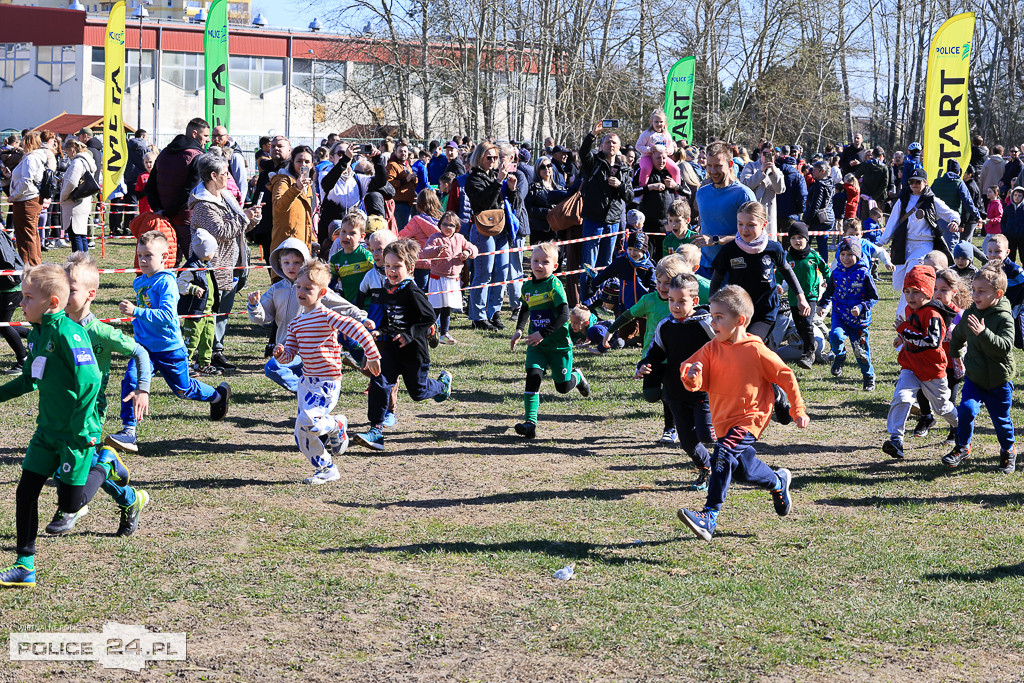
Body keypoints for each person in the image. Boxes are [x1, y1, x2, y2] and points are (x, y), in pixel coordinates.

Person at [0, 264, 108, 587]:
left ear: (53, 304)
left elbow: (91, 380)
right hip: (46, 433)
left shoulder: (68, 333)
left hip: (76, 436)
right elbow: (30, 381)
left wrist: (82, 427)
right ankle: (25, 564)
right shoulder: (36, 335)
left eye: (28, 297)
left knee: (69, 506)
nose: (21, 303)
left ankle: (106, 466)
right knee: (25, 492)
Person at [676, 285, 809, 542]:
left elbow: (786, 375)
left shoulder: (755, 350)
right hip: (723, 421)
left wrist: (798, 409)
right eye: (711, 315)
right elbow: (690, 370)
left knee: (723, 453)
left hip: (751, 418)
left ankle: (709, 516)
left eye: (718, 317)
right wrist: (692, 377)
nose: (712, 321)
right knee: (742, 471)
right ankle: (778, 482)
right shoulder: (712, 347)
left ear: (739, 321)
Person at [54, 254, 150, 535]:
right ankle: (129, 498)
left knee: (66, 466)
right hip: (61, 409)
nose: (62, 294)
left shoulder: (101, 332)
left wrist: (142, 388)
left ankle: (69, 507)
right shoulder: (56, 325)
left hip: (90, 412)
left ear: (89, 295)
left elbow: (140, 352)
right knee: (68, 463)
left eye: (70, 290)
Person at [113, 231, 231, 452]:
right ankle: (129, 431)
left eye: (148, 255)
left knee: (182, 389)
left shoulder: (167, 282)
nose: (143, 260)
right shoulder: (140, 281)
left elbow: (168, 315)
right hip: (144, 349)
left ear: (164, 258)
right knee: (130, 380)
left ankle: (217, 396)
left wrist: (136, 311)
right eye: (140, 255)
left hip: (169, 349)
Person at [273, 260, 381, 485]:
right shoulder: (296, 323)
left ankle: (337, 425)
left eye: (307, 288)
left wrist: (372, 355)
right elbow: (290, 354)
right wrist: (280, 354)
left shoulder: (328, 316)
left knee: (307, 420)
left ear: (321, 292)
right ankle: (326, 468)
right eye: (299, 287)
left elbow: (358, 329)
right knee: (300, 434)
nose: (301, 292)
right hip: (306, 384)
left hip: (327, 382)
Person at [352, 239, 452, 451]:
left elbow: (428, 318)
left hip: (414, 353)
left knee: (418, 392)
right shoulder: (389, 288)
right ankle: (376, 431)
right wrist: (382, 331)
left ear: (410, 268)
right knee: (379, 381)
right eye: (387, 266)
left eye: (396, 266)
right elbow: (391, 319)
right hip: (391, 349)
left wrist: (408, 335)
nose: (391, 270)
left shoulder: (412, 291)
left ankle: (442, 385)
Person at [248, 237, 369, 394]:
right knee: (276, 369)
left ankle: (309, 390)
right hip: (287, 350)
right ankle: (306, 389)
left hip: (312, 349)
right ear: (279, 263)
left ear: (305, 263)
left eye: (297, 262)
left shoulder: (315, 288)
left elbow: (343, 306)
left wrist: (362, 318)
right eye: (286, 263)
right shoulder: (276, 289)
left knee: (273, 367)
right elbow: (262, 317)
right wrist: (254, 306)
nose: (291, 267)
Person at [636, 273, 715, 490]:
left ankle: (730, 460)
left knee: (706, 434)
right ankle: (706, 469)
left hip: (703, 391)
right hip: (675, 392)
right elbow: (655, 352)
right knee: (688, 441)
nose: (675, 306)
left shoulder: (707, 323)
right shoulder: (665, 325)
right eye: (671, 300)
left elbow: (723, 348)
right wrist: (643, 365)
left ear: (695, 301)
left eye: (681, 301)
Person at [188, 152, 262, 372]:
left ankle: (215, 351)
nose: (228, 176)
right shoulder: (202, 204)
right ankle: (204, 355)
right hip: (213, 266)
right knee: (210, 311)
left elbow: (237, 226)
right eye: (224, 173)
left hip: (233, 260)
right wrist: (245, 217)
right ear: (213, 175)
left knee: (224, 309)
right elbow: (221, 231)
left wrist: (251, 219)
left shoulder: (226, 195)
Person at [606, 254, 691, 442]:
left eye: (668, 283)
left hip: (674, 357)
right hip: (651, 357)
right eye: (659, 282)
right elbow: (628, 314)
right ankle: (677, 402)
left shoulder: (682, 304)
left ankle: (670, 428)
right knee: (651, 395)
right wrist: (610, 331)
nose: (662, 287)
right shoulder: (649, 300)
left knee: (669, 393)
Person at [510, 241, 590, 439]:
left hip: (558, 346)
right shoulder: (527, 286)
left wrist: (542, 333)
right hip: (537, 346)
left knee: (562, 387)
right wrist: (519, 330)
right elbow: (526, 308)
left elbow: (563, 315)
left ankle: (577, 376)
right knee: (533, 377)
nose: (538, 265)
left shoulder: (554, 285)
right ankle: (530, 423)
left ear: (555, 266)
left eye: (545, 262)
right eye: (535, 261)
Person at [943, 266, 1017, 471]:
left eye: (982, 291)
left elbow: (1005, 347)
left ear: (998, 294)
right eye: (974, 290)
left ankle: (1008, 450)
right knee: (966, 409)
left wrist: (984, 334)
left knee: (1001, 420)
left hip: (998, 380)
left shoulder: (1003, 317)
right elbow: (957, 336)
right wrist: (956, 355)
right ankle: (963, 447)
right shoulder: (970, 314)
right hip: (975, 377)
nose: (975, 295)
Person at [881, 265, 958, 459]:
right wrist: (902, 337)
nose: (910, 296)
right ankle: (896, 440)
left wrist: (905, 331)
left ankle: (961, 425)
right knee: (902, 397)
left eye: (916, 292)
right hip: (911, 365)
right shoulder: (910, 309)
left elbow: (931, 342)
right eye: (907, 291)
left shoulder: (932, 314)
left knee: (942, 407)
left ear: (928, 292)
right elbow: (912, 331)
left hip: (932, 370)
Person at [709, 201, 809, 341]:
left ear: (763, 224)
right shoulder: (729, 250)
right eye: (740, 224)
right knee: (736, 347)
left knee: (750, 343)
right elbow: (716, 279)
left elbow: (787, 271)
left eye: (751, 225)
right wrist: (712, 306)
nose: (744, 229)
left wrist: (801, 298)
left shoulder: (773, 248)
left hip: (765, 311)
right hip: (737, 310)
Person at [878, 167, 958, 311]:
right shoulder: (903, 200)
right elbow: (893, 221)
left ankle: (903, 316)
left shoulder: (932, 201)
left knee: (912, 278)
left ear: (925, 183)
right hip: (903, 245)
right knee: (898, 284)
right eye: (912, 181)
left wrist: (954, 222)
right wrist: (881, 242)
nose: (914, 184)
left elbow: (952, 214)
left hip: (924, 246)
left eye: (918, 181)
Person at [910, 267, 969, 443]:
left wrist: (957, 335)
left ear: (954, 292)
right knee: (920, 390)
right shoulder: (926, 310)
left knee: (948, 399)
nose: (938, 293)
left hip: (951, 364)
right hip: (929, 362)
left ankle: (955, 430)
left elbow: (968, 338)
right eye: (934, 289)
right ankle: (926, 417)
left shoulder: (959, 315)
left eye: (943, 290)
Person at [465, 141, 520, 331]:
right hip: (482, 229)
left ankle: (493, 312)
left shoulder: (496, 177)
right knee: (483, 273)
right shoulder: (474, 179)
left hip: (501, 229)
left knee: (501, 273)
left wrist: (511, 188)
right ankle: (478, 316)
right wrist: (498, 182)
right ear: (479, 158)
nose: (493, 161)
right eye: (489, 157)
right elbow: (484, 203)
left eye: (495, 158)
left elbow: (510, 205)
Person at [578, 123, 633, 296]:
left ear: (619, 147)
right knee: (589, 263)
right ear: (602, 145)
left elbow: (629, 196)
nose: (611, 145)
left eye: (614, 143)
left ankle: (601, 297)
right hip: (593, 219)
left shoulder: (624, 168)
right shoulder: (594, 161)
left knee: (606, 263)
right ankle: (586, 298)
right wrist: (593, 133)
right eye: (608, 142)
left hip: (613, 221)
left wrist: (620, 185)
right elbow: (583, 153)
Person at [145, 117, 210, 264]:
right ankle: (205, 287)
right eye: (205, 135)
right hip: (185, 218)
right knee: (197, 261)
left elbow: (150, 187)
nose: (208, 140)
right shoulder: (198, 157)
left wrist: (160, 211)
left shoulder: (163, 153)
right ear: (194, 134)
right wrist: (166, 212)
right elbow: (190, 192)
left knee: (166, 261)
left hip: (163, 218)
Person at [819, 237, 879, 390]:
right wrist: (822, 304)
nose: (845, 258)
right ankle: (840, 356)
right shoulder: (836, 272)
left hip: (859, 320)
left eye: (849, 254)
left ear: (857, 255)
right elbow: (830, 291)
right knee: (835, 336)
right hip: (839, 314)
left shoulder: (864, 273)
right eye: (842, 254)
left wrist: (861, 307)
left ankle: (868, 376)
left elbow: (874, 297)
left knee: (861, 352)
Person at [693, 141, 756, 275]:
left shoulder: (744, 194)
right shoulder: (701, 193)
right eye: (709, 166)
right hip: (704, 266)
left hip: (735, 267)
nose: (712, 171)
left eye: (718, 166)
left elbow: (754, 235)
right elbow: (703, 226)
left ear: (730, 164)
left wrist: (715, 240)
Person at [317, 143, 388, 254]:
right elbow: (327, 184)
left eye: (349, 153)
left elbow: (380, 182)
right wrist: (345, 159)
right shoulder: (324, 173)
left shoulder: (357, 178)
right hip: (330, 235)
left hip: (353, 235)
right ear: (331, 157)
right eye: (341, 153)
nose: (346, 156)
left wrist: (377, 159)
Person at [422, 211, 478, 344]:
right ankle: (429, 332)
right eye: (445, 224)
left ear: (457, 227)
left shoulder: (460, 238)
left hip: (453, 279)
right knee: (436, 307)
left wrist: (467, 252)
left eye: (451, 225)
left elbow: (474, 249)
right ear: (440, 224)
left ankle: (444, 333)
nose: (448, 227)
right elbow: (425, 253)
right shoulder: (435, 237)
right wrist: (437, 249)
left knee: (447, 307)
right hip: (437, 278)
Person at [785, 221, 830, 369]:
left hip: (810, 296)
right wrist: (779, 285)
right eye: (793, 238)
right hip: (793, 298)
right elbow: (779, 273)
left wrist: (829, 281)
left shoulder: (813, 255)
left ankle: (809, 353)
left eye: (800, 237)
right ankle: (812, 346)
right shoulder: (787, 257)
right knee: (799, 327)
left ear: (807, 239)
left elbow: (825, 269)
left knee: (806, 323)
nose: (797, 241)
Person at [8, 131, 56, 268]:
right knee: (32, 234)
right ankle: (35, 265)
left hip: (26, 200)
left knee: (25, 236)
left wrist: (14, 195)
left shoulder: (30, 158)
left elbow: (26, 181)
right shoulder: (37, 157)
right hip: (31, 199)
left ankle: (29, 268)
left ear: (28, 142)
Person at [177, 229, 220, 377]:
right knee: (192, 339)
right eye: (213, 250)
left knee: (207, 339)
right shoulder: (192, 267)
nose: (214, 252)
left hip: (208, 312)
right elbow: (179, 283)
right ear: (205, 250)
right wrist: (193, 288)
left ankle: (204, 363)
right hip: (195, 312)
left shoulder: (206, 265)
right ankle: (185, 364)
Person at [270, 144, 315, 259]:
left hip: (303, 244)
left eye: (307, 162)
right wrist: (296, 188)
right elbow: (279, 207)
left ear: (312, 164)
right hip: (286, 245)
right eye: (299, 161)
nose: (303, 165)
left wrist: (312, 240)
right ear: (292, 162)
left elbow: (306, 218)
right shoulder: (282, 181)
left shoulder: (308, 185)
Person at [58, 137, 97, 254]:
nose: (67, 155)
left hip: (74, 204)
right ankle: (85, 262)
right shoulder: (87, 161)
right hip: (84, 202)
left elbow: (72, 182)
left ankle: (79, 263)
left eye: (67, 152)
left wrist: (64, 196)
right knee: (82, 235)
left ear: (72, 149)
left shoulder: (77, 162)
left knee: (75, 236)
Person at [398, 188, 443, 290]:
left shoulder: (416, 221)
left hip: (421, 263)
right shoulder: (442, 222)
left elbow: (400, 238)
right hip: (438, 263)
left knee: (421, 292)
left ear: (419, 204)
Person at [738, 145, 785, 239]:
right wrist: (761, 171)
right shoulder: (750, 166)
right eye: (765, 153)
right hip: (752, 212)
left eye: (771, 154)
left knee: (769, 242)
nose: (767, 156)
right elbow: (745, 186)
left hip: (769, 212)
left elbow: (780, 190)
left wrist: (773, 173)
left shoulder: (777, 170)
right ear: (760, 154)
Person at [931, 159, 978, 248]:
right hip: (952, 221)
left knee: (937, 248)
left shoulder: (936, 181)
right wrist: (977, 215)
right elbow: (968, 202)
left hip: (936, 219)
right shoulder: (958, 182)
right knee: (951, 248)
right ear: (959, 172)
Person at [525, 156, 568, 247]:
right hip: (540, 229)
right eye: (542, 167)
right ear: (537, 170)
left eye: (549, 165)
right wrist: (546, 212)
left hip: (558, 229)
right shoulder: (533, 188)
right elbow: (528, 208)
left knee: (557, 258)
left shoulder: (559, 187)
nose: (547, 169)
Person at [635, 109, 681, 187]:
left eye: (661, 122)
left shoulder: (666, 134)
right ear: (651, 122)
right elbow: (638, 146)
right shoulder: (646, 133)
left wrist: (668, 151)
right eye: (656, 122)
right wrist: (649, 149)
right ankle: (641, 191)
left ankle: (677, 191)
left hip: (663, 158)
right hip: (647, 157)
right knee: (646, 169)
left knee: (676, 169)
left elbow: (671, 148)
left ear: (664, 123)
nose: (659, 124)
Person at [802, 160, 836, 259]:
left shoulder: (819, 185)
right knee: (823, 246)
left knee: (806, 244)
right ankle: (824, 269)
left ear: (822, 171)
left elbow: (815, 205)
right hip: (828, 218)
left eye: (815, 170)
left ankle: (807, 265)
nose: (812, 171)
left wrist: (807, 221)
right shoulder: (830, 182)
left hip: (816, 220)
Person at [853, 147, 895, 212]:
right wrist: (875, 196)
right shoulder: (884, 168)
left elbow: (857, 175)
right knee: (878, 218)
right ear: (881, 156)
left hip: (866, 196)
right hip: (880, 198)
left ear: (872, 154)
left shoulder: (865, 165)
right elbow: (885, 184)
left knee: (865, 218)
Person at [386, 143, 418, 229]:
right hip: (399, 204)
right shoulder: (392, 165)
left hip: (408, 204)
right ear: (395, 152)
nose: (403, 153)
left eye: (405, 151)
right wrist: (405, 180)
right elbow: (389, 184)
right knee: (401, 232)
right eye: (400, 151)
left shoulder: (407, 166)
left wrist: (414, 179)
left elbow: (411, 183)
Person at [1004, 186, 1024, 262]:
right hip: (1010, 236)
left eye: (1019, 196)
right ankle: (1011, 272)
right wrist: (1004, 231)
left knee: (1023, 255)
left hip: (1022, 237)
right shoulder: (1008, 208)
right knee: (1010, 257)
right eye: (1015, 195)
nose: (1017, 197)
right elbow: (1003, 221)